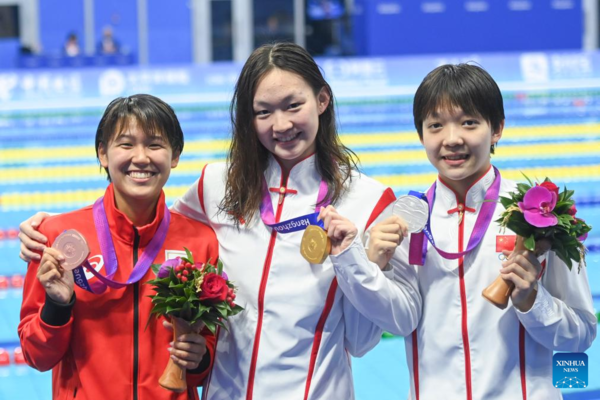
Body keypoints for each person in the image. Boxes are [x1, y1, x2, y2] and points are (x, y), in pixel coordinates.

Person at [18, 43, 421, 400]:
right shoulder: (217, 185)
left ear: (322, 100)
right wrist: (51, 230)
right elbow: (146, 224)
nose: (281, 125)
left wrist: (356, 259)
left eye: (293, 105)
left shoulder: (368, 199)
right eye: (264, 112)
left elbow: (394, 322)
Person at [367, 64, 597, 400]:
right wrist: (374, 269)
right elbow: (390, 327)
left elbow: (581, 336)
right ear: (421, 136)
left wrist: (532, 301)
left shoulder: (543, 214)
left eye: (469, 122)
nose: (452, 139)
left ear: (497, 128)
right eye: (435, 125)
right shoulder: (405, 223)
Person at [18, 94, 219, 400]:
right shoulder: (57, 237)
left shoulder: (200, 241)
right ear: (103, 154)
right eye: (126, 144)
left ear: (175, 155)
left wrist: (199, 358)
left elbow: (208, 357)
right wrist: (57, 306)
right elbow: (36, 356)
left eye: (155, 144)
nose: (141, 157)